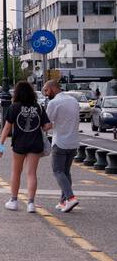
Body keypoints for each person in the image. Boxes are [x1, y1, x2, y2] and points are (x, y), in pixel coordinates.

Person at [0, 81, 50, 213]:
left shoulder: (14, 107)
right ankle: (31, 203)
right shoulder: (38, 107)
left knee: (16, 172)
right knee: (31, 173)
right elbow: (46, 126)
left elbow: (7, 127)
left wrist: (0, 145)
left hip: (19, 144)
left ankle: (14, 200)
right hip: (35, 143)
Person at [42, 79, 80, 213]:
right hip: (74, 142)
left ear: (52, 88)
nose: (46, 94)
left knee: (57, 171)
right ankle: (63, 201)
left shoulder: (54, 103)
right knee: (66, 172)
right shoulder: (73, 101)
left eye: (46, 90)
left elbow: (47, 124)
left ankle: (70, 198)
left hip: (60, 143)